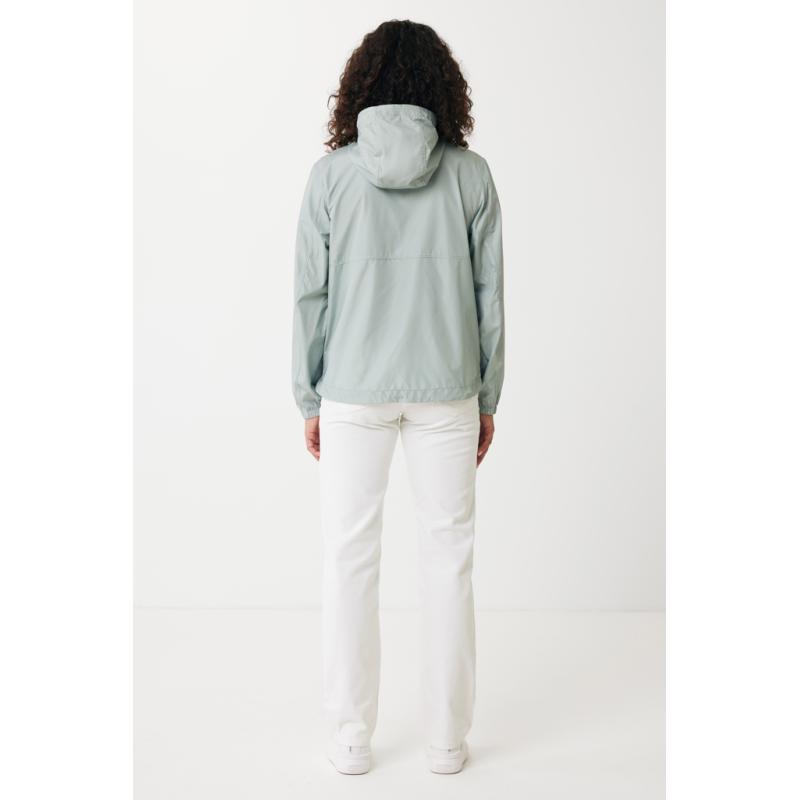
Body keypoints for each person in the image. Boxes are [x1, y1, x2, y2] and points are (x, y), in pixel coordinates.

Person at [291, 19, 505, 775]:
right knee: (449, 561)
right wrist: (487, 397)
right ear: (444, 88)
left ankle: (352, 739)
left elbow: (309, 298)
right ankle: (447, 742)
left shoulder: (331, 178)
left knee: (349, 561)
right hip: (448, 391)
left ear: (360, 86)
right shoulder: (471, 176)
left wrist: (309, 397)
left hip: (352, 391)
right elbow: (489, 300)